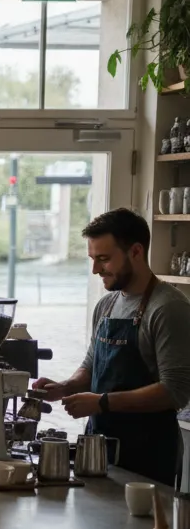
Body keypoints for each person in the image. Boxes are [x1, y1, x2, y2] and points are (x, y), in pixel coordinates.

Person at [32, 208, 190, 485]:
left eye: (104, 259)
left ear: (136, 252)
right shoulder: (107, 305)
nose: (95, 270)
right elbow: (92, 364)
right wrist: (65, 388)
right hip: (98, 447)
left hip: (149, 453)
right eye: (93, 259)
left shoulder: (168, 308)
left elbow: (174, 391)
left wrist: (102, 402)